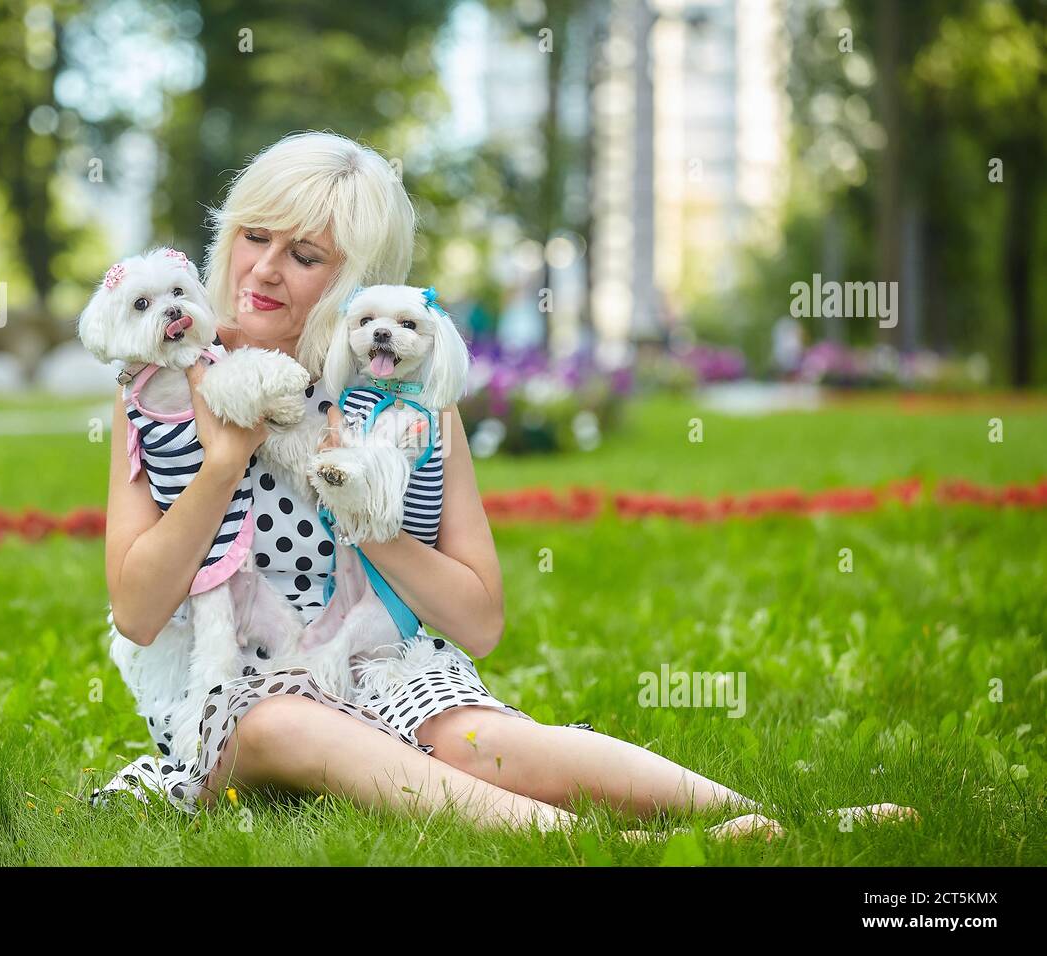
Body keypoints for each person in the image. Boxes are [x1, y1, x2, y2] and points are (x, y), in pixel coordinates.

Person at [92, 131, 916, 839]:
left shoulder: (407, 406)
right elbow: (136, 609)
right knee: (285, 727)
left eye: (304, 256)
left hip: (381, 665)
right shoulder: (165, 392)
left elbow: (478, 620)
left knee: (478, 740)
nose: (262, 270)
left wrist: (370, 515)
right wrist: (223, 461)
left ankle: (781, 820)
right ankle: (591, 846)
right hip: (239, 698)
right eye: (253, 237)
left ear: (357, 285)